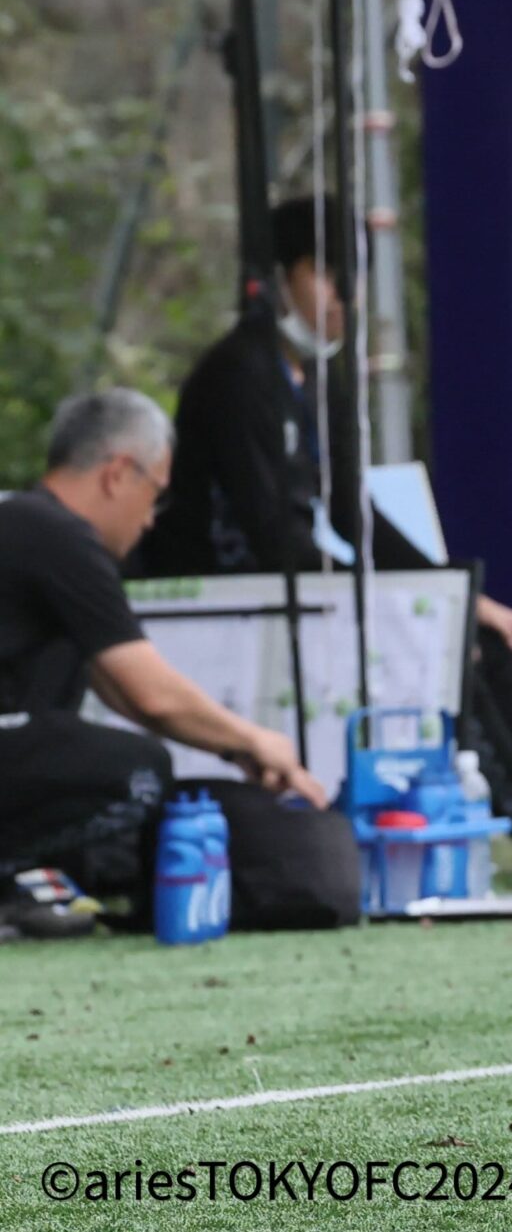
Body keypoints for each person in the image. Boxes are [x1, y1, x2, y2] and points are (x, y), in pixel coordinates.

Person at [139, 197, 512, 877]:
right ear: (281, 277)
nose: (343, 298)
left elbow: (353, 509)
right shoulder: (238, 376)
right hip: (238, 604)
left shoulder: (317, 379)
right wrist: (404, 604)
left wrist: (456, 594)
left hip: (305, 589)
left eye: (352, 278)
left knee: (493, 638)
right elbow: (272, 537)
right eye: (327, 275)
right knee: (452, 653)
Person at [0, 390, 326, 938]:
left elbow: (120, 689)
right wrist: (257, 740)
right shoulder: (57, 535)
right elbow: (151, 693)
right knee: (138, 773)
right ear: (117, 474)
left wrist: (232, 748)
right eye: (156, 494)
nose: (151, 520)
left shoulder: (25, 525)